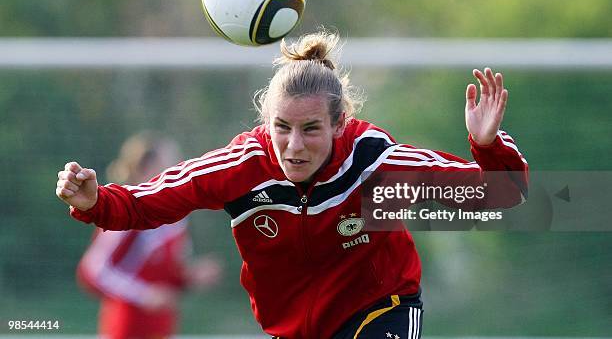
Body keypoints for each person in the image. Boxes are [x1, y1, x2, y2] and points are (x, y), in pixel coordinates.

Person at [56, 31, 528, 339]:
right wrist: (96, 200)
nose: (294, 146)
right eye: (282, 127)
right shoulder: (242, 165)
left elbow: (503, 195)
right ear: (266, 121)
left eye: (311, 129)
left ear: (340, 123)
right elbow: (154, 199)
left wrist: (487, 146)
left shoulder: (373, 160)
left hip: (379, 309)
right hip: (291, 329)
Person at [75, 132, 222, 339]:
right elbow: (93, 270)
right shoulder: (127, 213)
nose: (179, 168)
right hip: (127, 328)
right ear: (145, 168)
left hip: (161, 326)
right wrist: (143, 295)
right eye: (169, 162)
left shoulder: (177, 217)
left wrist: (191, 276)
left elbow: (167, 278)